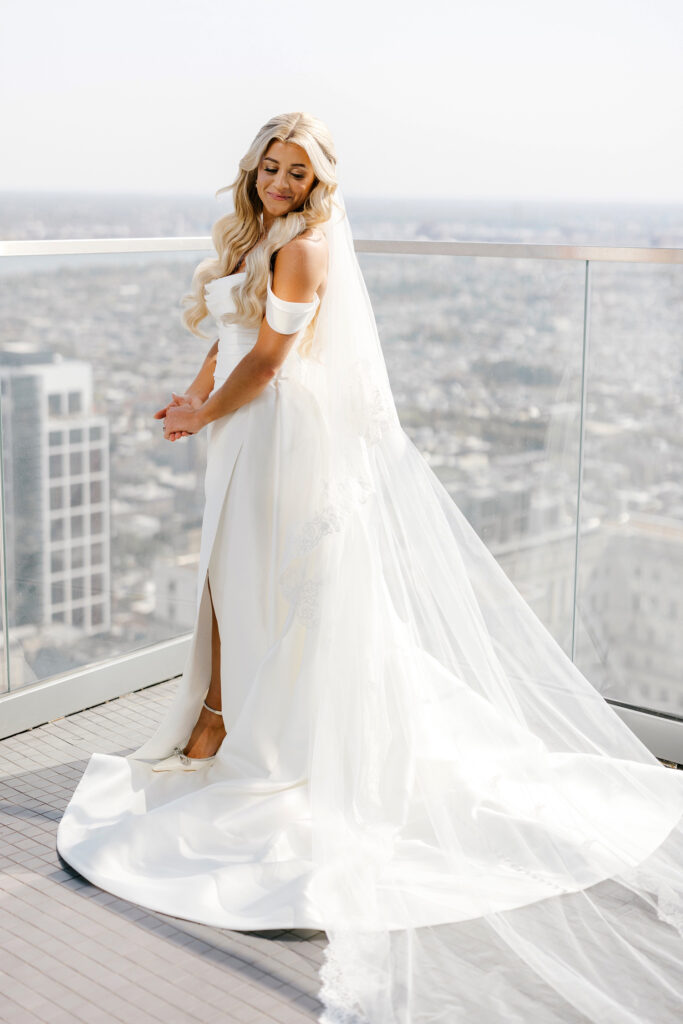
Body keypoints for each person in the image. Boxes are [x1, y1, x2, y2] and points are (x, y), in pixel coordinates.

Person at [57, 112, 683, 1022]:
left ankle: (249, 736)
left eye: (293, 169)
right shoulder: (260, 235)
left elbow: (271, 358)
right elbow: (231, 333)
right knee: (234, 588)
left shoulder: (306, 247)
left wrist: (205, 417)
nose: (277, 180)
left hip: (274, 437)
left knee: (270, 590)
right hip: (239, 428)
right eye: (268, 165)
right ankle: (219, 726)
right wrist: (196, 396)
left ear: (317, 180)